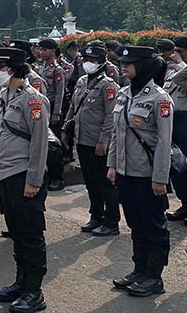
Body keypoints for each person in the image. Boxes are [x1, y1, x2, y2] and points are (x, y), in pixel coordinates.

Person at [107, 45, 172, 297]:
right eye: (122, 63)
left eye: (129, 63)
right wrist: (112, 165)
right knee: (135, 223)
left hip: (147, 176)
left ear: (143, 65)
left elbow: (165, 142)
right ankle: (140, 270)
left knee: (153, 225)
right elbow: (116, 133)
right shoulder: (123, 94)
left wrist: (160, 178)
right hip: (126, 173)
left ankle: (154, 276)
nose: (123, 66)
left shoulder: (160, 99)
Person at [0, 47, 50, 313]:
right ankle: (21, 282)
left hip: (25, 176)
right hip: (7, 174)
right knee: (16, 232)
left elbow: (39, 144)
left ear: (11, 69)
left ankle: (34, 291)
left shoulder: (33, 99)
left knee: (30, 234)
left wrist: (34, 181)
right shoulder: (4, 94)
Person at [62, 44, 121, 236]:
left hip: (99, 143)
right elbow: (73, 107)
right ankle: (96, 215)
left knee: (105, 183)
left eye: (93, 61)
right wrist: (65, 128)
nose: (88, 64)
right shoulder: (81, 81)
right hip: (82, 140)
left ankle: (111, 221)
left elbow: (111, 116)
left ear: (102, 62)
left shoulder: (109, 85)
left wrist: (104, 140)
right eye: (86, 60)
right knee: (91, 182)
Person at [165, 35, 187, 227]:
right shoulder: (173, 69)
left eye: (180, 52)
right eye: (174, 51)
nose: (175, 55)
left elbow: (179, 78)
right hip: (173, 119)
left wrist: (183, 65)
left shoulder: (186, 71)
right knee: (176, 165)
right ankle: (184, 204)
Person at [37, 39, 66, 191]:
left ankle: (57, 177)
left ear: (53, 51)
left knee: (54, 146)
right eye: (41, 50)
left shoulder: (57, 70)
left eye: (45, 50)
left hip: (53, 107)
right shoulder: (40, 68)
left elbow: (60, 93)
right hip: (42, 108)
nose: (42, 53)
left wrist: (57, 113)